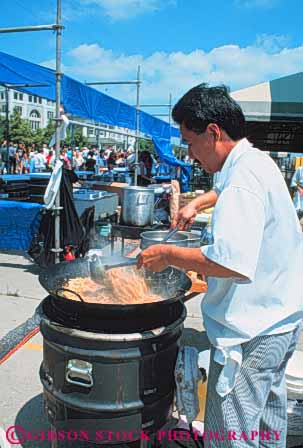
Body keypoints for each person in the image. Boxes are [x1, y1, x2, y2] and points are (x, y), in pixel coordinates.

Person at [137, 84, 303, 447]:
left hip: (252, 331)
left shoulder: (243, 178)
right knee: (265, 424)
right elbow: (230, 189)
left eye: (191, 143)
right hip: (283, 319)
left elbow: (231, 262)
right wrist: (199, 203)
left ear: (213, 132)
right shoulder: (254, 162)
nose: (190, 155)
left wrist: (166, 255)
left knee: (231, 434)